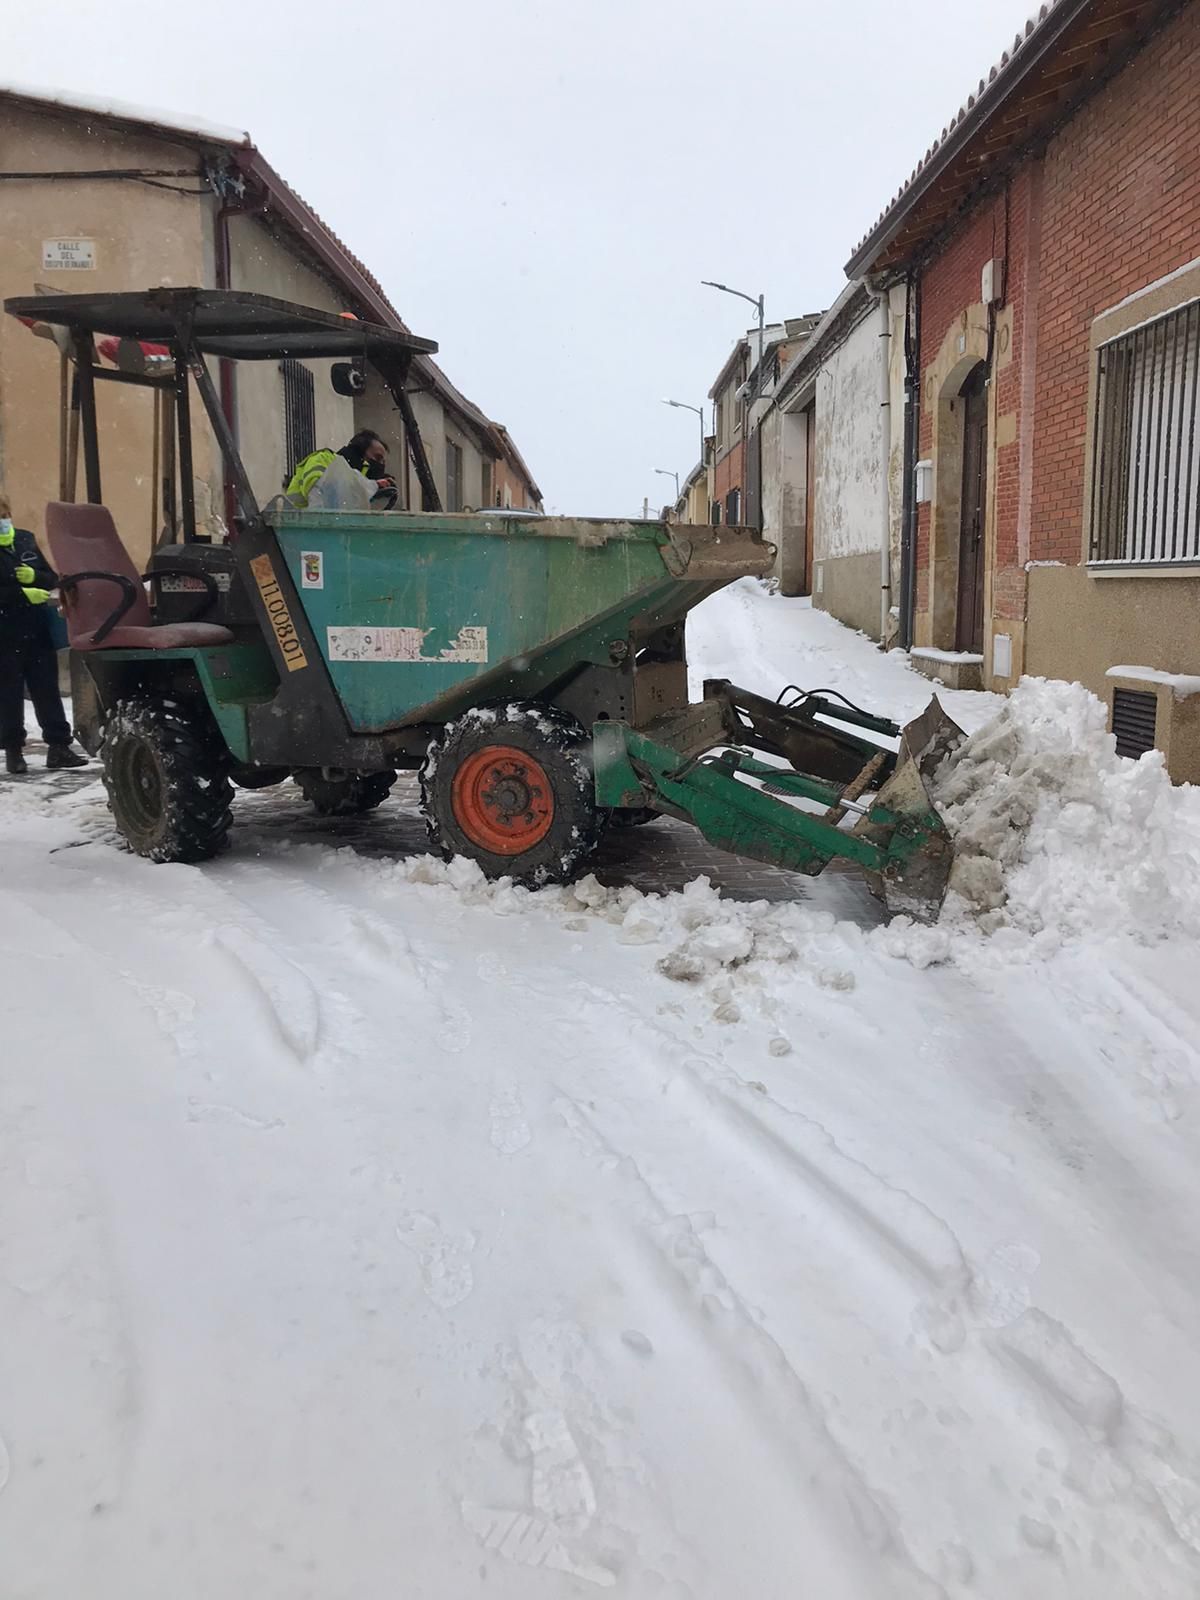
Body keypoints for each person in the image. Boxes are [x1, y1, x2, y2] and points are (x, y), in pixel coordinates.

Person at [0, 491, 88, 775]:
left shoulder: (24, 539)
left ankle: (59, 746)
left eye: (4, 516)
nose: (3, 522)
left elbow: (50, 576)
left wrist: (37, 579)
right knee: (8, 692)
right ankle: (13, 749)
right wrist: (20, 592)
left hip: (36, 629)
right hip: (5, 630)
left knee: (46, 688)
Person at [286, 429, 398, 509]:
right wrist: (371, 486)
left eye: (383, 462)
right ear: (359, 452)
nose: (380, 465)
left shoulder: (357, 484)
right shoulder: (324, 459)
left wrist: (376, 495)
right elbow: (321, 492)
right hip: (298, 530)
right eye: (377, 458)